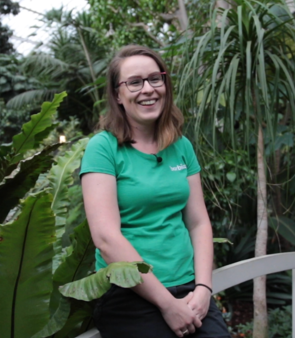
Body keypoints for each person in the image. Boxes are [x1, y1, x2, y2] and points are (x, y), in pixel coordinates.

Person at [80, 45, 230, 338]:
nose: (147, 89)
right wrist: (166, 304)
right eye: (134, 82)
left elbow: (198, 222)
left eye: (155, 79)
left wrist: (203, 288)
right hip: (130, 293)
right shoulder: (103, 148)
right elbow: (106, 238)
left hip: (189, 288)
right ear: (117, 95)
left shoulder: (181, 147)